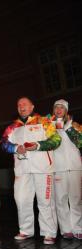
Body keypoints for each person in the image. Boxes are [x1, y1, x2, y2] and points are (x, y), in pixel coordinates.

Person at [1, 97, 61, 244]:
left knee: (45, 201)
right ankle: (25, 230)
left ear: (32, 106)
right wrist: (15, 148)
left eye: (25, 104)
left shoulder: (44, 122)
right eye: (19, 105)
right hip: (22, 170)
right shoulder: (13, 126)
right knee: (21, 200)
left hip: (43, 168)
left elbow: (56, 140)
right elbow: (3, 142)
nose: (22, 107)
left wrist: (38, 146)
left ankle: (49, 232)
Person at [51, 99, 82, 240]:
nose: (58, 110)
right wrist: (55, 128)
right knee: (61, 200)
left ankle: (78, 228)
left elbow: (80, 142)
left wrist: (67, 128)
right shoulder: (49, 127)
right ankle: (66, 229)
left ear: (66, 111)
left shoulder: (75, 125)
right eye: (56, 107)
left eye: (61, 108)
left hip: (75, 168)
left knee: (76, 199)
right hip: (58, 168)